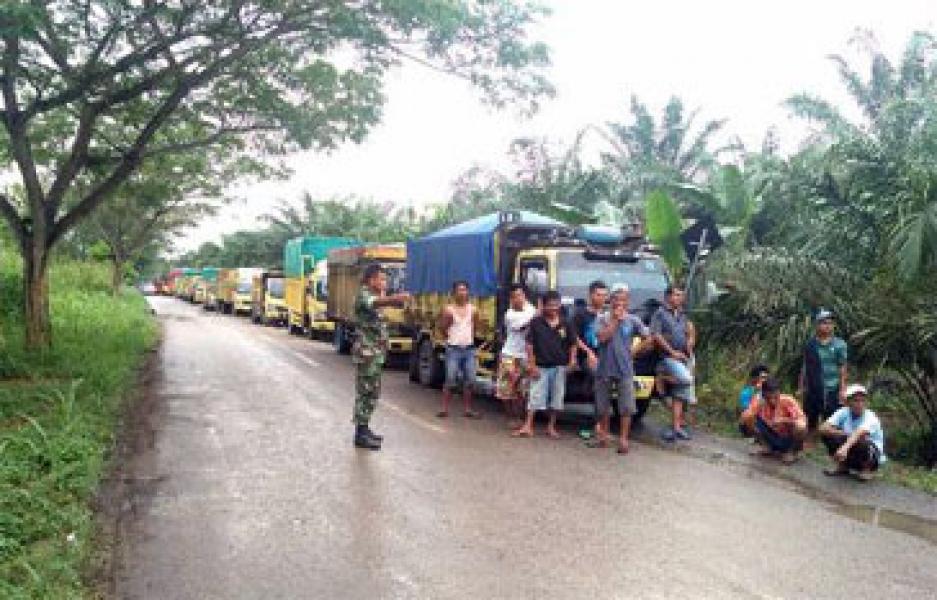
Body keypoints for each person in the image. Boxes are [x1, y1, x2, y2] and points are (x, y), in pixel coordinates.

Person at [352, 264, 410, 450]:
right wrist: (395, 299)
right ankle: (360, 433)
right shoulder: (364, 295)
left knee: (372, 391)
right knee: (365, 391)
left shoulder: (377, 296)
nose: (384, 282)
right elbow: (375, 304)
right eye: (382, 279)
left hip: (375, 352)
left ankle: (365, 427)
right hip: (367, 352)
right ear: (371, 280)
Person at [593, 286, 652, 454]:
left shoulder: (633, 320)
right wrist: (616, 321)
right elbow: (602, 338)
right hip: (604, 368)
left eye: (623, 300)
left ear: (628, 302)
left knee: (626, 407)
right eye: (616, 300)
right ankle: (603, 435)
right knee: (602, 406)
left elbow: (648, 337)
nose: (619, 303)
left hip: (625, 369)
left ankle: (623, 439)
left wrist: (635, 351)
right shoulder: (602, 318)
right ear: (610, 302)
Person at [513, 290, 578, 439]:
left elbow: (573, 343)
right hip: (541, 366)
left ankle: (551, 427)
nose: (553, 308)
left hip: (559, 366)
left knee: (557, 398)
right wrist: (532, 365)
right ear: (544, 306)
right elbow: (529, 345)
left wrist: (572, 361)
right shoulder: (536, 322)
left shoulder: (566, 322)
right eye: (550, 305)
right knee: (535, 397)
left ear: (560, 304)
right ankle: (528, 426)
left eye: (556, 305)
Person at [650, 285, 697, 442]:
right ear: (668, 296)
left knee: (680, 394)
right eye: (677, 295)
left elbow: (689, 331)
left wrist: (689, 342)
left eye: (681, 295)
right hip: (667, 358)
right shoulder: (660, 314)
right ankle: (661, 378)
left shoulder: (682, 315)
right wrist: (672, 352)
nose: (680, 298)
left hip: (683, 357)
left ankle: (676, 428)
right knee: (686, 380)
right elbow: (656, 335)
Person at [819, 384, 885, 481]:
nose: (859, 404)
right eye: (856, 400)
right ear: (848, 402)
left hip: (871, 453)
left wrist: (844, 448)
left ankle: (867, 470)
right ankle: (843, 466)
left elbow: (859, 433)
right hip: (851, 447)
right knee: (828, 435)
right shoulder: (843, 412)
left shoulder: (871, 417)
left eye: (862, 400)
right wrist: (844, 434)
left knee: (861, 441)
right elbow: (823, 428)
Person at [437, 280, 481, 418]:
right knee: (450, 379)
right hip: (453, 349)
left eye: (464, 290)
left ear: (468, 292)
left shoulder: (473, 310)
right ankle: (444, 409)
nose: (462, 293)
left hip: (469, 350)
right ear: (454, 293)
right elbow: (443, 328)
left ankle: (468, 409)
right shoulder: (448, 310)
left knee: (470, 380)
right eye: (459, 290)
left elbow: (475, 327)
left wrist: (470, 341)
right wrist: (450, 339)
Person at [799, 308, 848, 431]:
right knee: (811, 417)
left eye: (830, 323)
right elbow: (805, 366)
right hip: (813, 387)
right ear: (817, 325)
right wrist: (801, 387)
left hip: (832, 387)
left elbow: (842, 367)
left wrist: (842, 389)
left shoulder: (839, 344)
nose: (827, 326)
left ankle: (828, 443)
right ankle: (810, 441)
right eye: (824, 322)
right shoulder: (810, 344)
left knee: (830, 419)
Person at [495, 284, 537, 428]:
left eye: (521, 295)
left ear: (525, 295)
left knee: (522, 390)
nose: (518, 298)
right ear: (511, 299)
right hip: (510, 354)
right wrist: (537, 316)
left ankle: (520, 418)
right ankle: (510, 417)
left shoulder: (532, 309)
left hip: (525, 356)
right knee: (506, 389)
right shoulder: (509, 314)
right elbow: (523, 327)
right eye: (515, 296)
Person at [740, 377, 807, 464]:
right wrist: (748, 421)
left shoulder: (788, 400)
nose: (772, 401)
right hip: (770, 434)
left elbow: (802, 421)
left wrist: (784, 421)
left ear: (779, 393)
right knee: (748, 417)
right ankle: (766, 447)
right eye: (768, 398)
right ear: (763, 395)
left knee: (800, 426)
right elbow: (745, 416)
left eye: (775, 397)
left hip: (787, 437)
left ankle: (792, 452)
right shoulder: (759, 400)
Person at [572, 280, 608, 439]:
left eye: (604, 295)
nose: (602, 298)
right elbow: (575, 338)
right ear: (591, 294)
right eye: (599, 295)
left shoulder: (608, 315)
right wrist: (589, 353)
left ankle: (603, 425)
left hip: (606, 357)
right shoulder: (580, 314)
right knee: (597, 379)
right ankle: (592, 424)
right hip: (586, 356)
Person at [738, 364, 770, 437]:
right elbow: (746, 410)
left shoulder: (772, 392)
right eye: (762, 377)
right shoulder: (746, 393)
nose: (765, 380)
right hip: (751, 421)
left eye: (766, 377)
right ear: (754, 378)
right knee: (749, 415)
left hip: (767, 421)